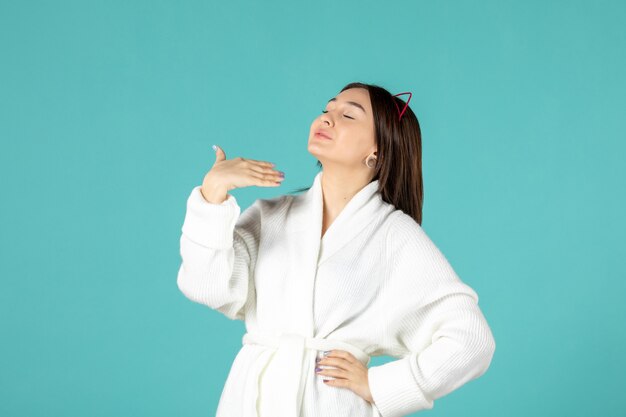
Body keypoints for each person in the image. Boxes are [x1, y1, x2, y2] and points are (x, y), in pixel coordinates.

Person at [176, 82, 496, 417]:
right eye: (327, 109)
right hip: (251, 401)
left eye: (347, 115)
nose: (327, 118)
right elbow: (208, 288)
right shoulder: (270, 215)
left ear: (378, 150)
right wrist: (213, 194)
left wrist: (381, 386)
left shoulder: (394, 236)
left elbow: (472, 341)